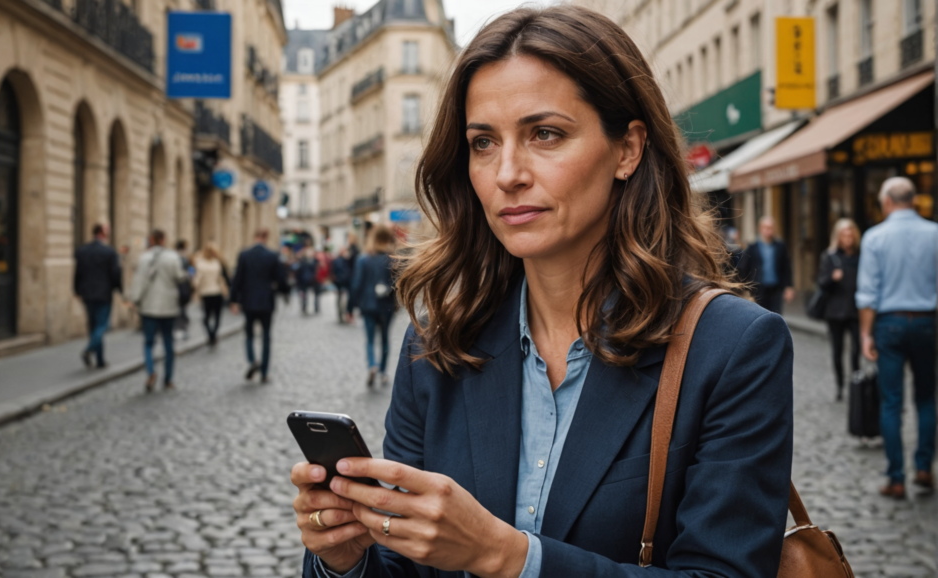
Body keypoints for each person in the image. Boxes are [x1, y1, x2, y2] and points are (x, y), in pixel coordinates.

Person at [291, 6, 793, 577]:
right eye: (483, 142)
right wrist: (345, 559)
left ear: (627, 149)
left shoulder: (731, 347)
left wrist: (506, 557)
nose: (508, 173)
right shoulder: (438, 345)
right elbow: (405, 564)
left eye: (545, 134)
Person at [856, 177, 937, 499]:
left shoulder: (875, 237)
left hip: (888, 324)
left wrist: (865, 333)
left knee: (892, 402)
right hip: (927, 323)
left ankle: (896, 477)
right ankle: (924, 468)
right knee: (927, 398)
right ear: (913, 201)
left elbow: (867, 293)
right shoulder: (934, 234)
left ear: (887, 202)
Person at [128, 229, 188, 392]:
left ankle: (151, 371)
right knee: (168, 342)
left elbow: (138, 281)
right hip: (168, 307)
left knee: (148, 342)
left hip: (149, 307)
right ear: (163, 239)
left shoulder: (144, 258)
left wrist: (134, 300)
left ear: (152, 240)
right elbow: (180, 277)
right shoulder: (172, 257)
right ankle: (168, 379)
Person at [231, 230, 286, 383]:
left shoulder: (244, 254)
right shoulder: (272, 255)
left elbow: (237, 279)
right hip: (266, 302)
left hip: (248, 302)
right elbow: (281, 279)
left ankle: (252, 360)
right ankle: (264, 372)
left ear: (255, 237)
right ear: (266, 238)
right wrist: (282, 290)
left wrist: (233, 300)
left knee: (249, 334)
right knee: (266, 337)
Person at [817, 219, 861, 401]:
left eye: (850, 234)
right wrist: (832, 278)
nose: (848, 238)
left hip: (856, 310)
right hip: (835, 312)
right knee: (837, 351)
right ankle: (840, 386)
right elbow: (821, 283)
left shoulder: (861, 256)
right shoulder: (830, 256)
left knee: (856, 351)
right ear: (838, 236)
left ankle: (856, 384)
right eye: (844, 234)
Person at [350, 226, 398, 387]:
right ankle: (383, 372)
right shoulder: (392, 260)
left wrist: (350, 307)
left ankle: (372, 365)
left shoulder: (363, 259)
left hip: (368, 305)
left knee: (370, 339)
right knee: (384, 339)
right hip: (387, 305)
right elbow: (398, 285)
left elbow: (356, 285)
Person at [73, 223, 122, 369]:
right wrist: (119, 288)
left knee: (93, 326)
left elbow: (78, 273)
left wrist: (76, 290)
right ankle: (89, 349)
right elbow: (115, 273)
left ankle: (100, 361)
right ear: (101, 233)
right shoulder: (109, 252)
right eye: (106, 231)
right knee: (102, 325)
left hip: (87, 293)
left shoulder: (82, 251)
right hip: (104, 294)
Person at [744, 216, 795, 314]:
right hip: (758, 289)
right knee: (760, 315)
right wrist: (745, 289)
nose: (768, 230)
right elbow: (745, 268)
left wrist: (789, 287)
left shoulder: (780, 246)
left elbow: (786, 268)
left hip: (775, 288)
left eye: (771, 228)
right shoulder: (753, 247)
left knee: (776, 314)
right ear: (760, 228)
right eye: (766, 227)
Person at [192, 240, 231, 346]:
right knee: (217, 316)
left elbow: (197, 281)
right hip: (216, 292)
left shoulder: (200, 264)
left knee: (206, 317)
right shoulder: (217, 263)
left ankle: (211, 335)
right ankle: (213, 334)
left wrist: (195, 289)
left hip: (206, 293)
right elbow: (221, 279)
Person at [174, 239, 194, 340]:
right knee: (181, 309)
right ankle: (181, 329)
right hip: (182, 287)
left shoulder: (177, 257)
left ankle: (181, 329)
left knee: (180, 309)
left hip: (180, 287)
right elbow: (190, 272)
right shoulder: (182, 258)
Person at [332, 248, 353, 323]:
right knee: (341, 300)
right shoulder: (338, 261)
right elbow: (335, 271)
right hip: (340, 283)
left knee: (344, 300)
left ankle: (344, 314)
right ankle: (341, 314)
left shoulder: (348, 260)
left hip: (346, 282)